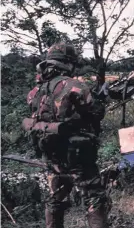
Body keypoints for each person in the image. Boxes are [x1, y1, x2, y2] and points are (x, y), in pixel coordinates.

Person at [24, 43, 110, 228]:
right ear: (68, 63)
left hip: (50, 153)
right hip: (77, 154)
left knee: (56, 198)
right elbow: (96, 113)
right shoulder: (75, 86)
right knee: (94, 196)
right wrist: (101, 98)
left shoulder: (35, 92)